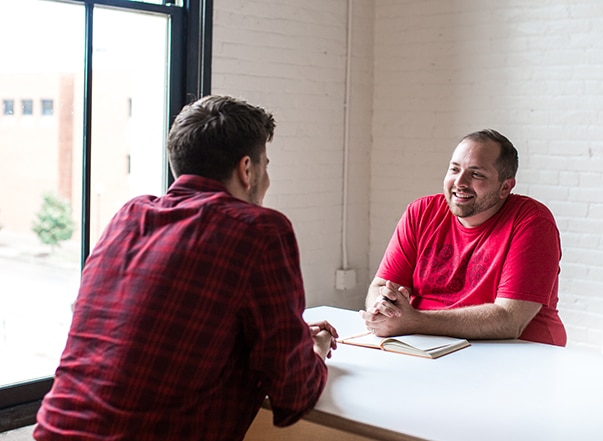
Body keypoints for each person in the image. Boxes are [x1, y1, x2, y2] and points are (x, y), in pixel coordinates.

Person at [34, 95, 338, 441]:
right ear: (247, 170)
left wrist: (291, 337)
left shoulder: (129, 216)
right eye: (265, 166)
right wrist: (315, 349)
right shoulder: (259, 230)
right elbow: (293, 394)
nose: (267, 181)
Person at [361, 129, 566, 346]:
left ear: (505, 187)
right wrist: (382, 311)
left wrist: (414, 321)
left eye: (476, 174)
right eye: (454, 169)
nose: (460, 182)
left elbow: (510, 319)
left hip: (518, 352)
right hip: (427, 345)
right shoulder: (421, 212)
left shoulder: (531, 221)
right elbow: (382, 285)